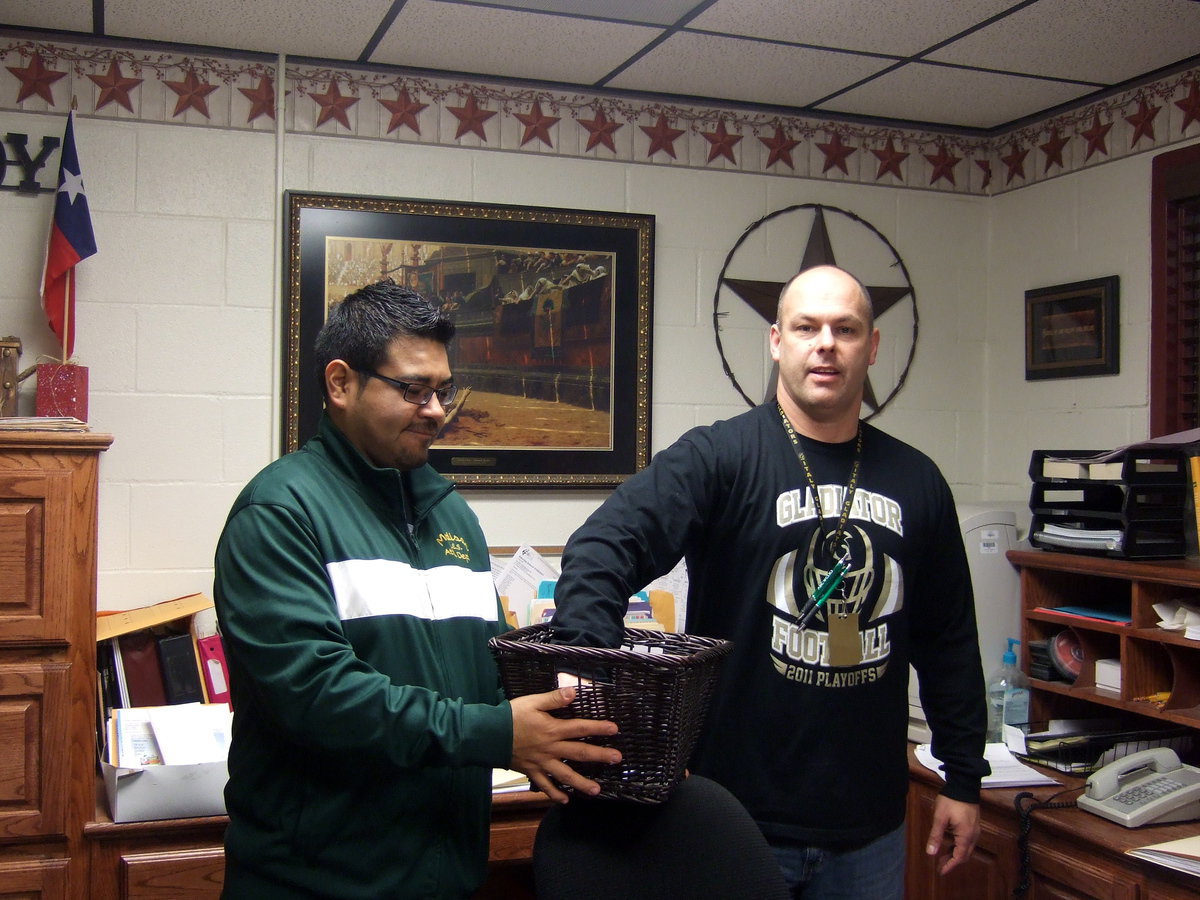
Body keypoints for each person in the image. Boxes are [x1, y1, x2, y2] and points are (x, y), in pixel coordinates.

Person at [551, 265, 988, 898]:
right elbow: (601, 547)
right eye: (807, 327)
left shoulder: (918, 481)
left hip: (869, 832)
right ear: (777, 341)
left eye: (846, 329)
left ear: (872, 346)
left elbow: (949, 642)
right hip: (733, 823)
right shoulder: (718, 457)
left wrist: (963, 780)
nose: (826, 344)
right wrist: (587, 656)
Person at [213, 279, 620, 899]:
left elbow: (489, 669)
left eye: (442, 390)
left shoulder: (452, 518)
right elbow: (316, 695)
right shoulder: (280, 512)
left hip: (445, 878)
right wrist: (496, 733)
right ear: (341, 384)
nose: (436, 409)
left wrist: (578, 709)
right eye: (413, 390)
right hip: (314, 883)